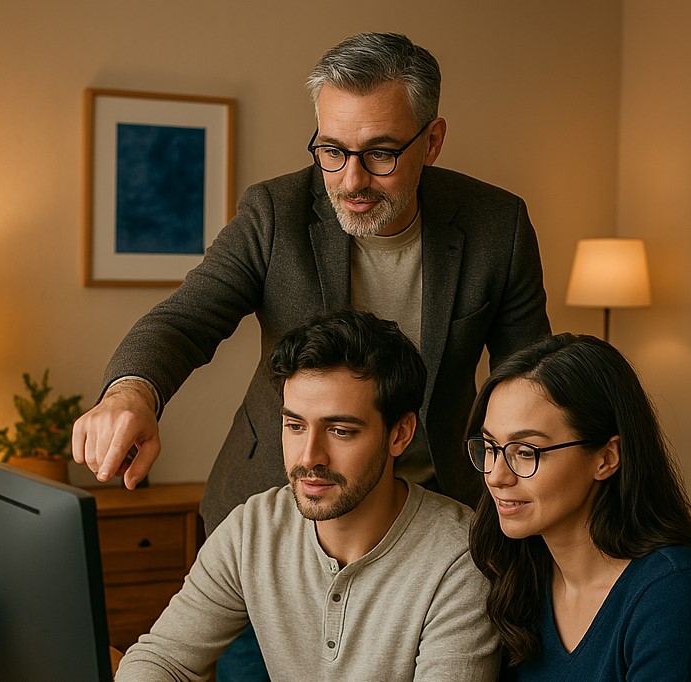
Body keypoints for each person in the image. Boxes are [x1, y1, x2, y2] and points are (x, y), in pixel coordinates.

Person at [72, 30, 550, 534]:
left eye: (381, 154)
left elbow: (530, 377)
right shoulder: (274, 213)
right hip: (276, 507)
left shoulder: (498, 225)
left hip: (433, 513)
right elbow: (186, 318)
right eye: (332, 150)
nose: (351, 180)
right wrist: (130, 395)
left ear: (431, 142)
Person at [115, 309, 500, 681]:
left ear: (399, 434)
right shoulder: (252, 529)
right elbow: (164, 657)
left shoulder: (460, 558)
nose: (309, 457)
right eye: (295, 425)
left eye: (340, 431)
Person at [465, 334, 691, 680]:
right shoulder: (518, 574)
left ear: (606, 458)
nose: (497, 476)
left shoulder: (677, 595)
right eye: (490, 447)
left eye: (526, 452)